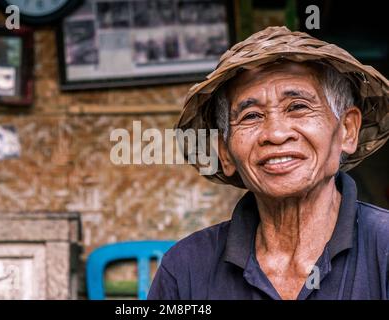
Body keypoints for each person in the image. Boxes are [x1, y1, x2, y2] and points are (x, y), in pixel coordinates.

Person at [148, 26, 389, 300]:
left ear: (347, 130)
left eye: (298, 106)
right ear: (225, 153)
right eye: (251, 116)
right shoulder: (186, 269)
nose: (275, 134)